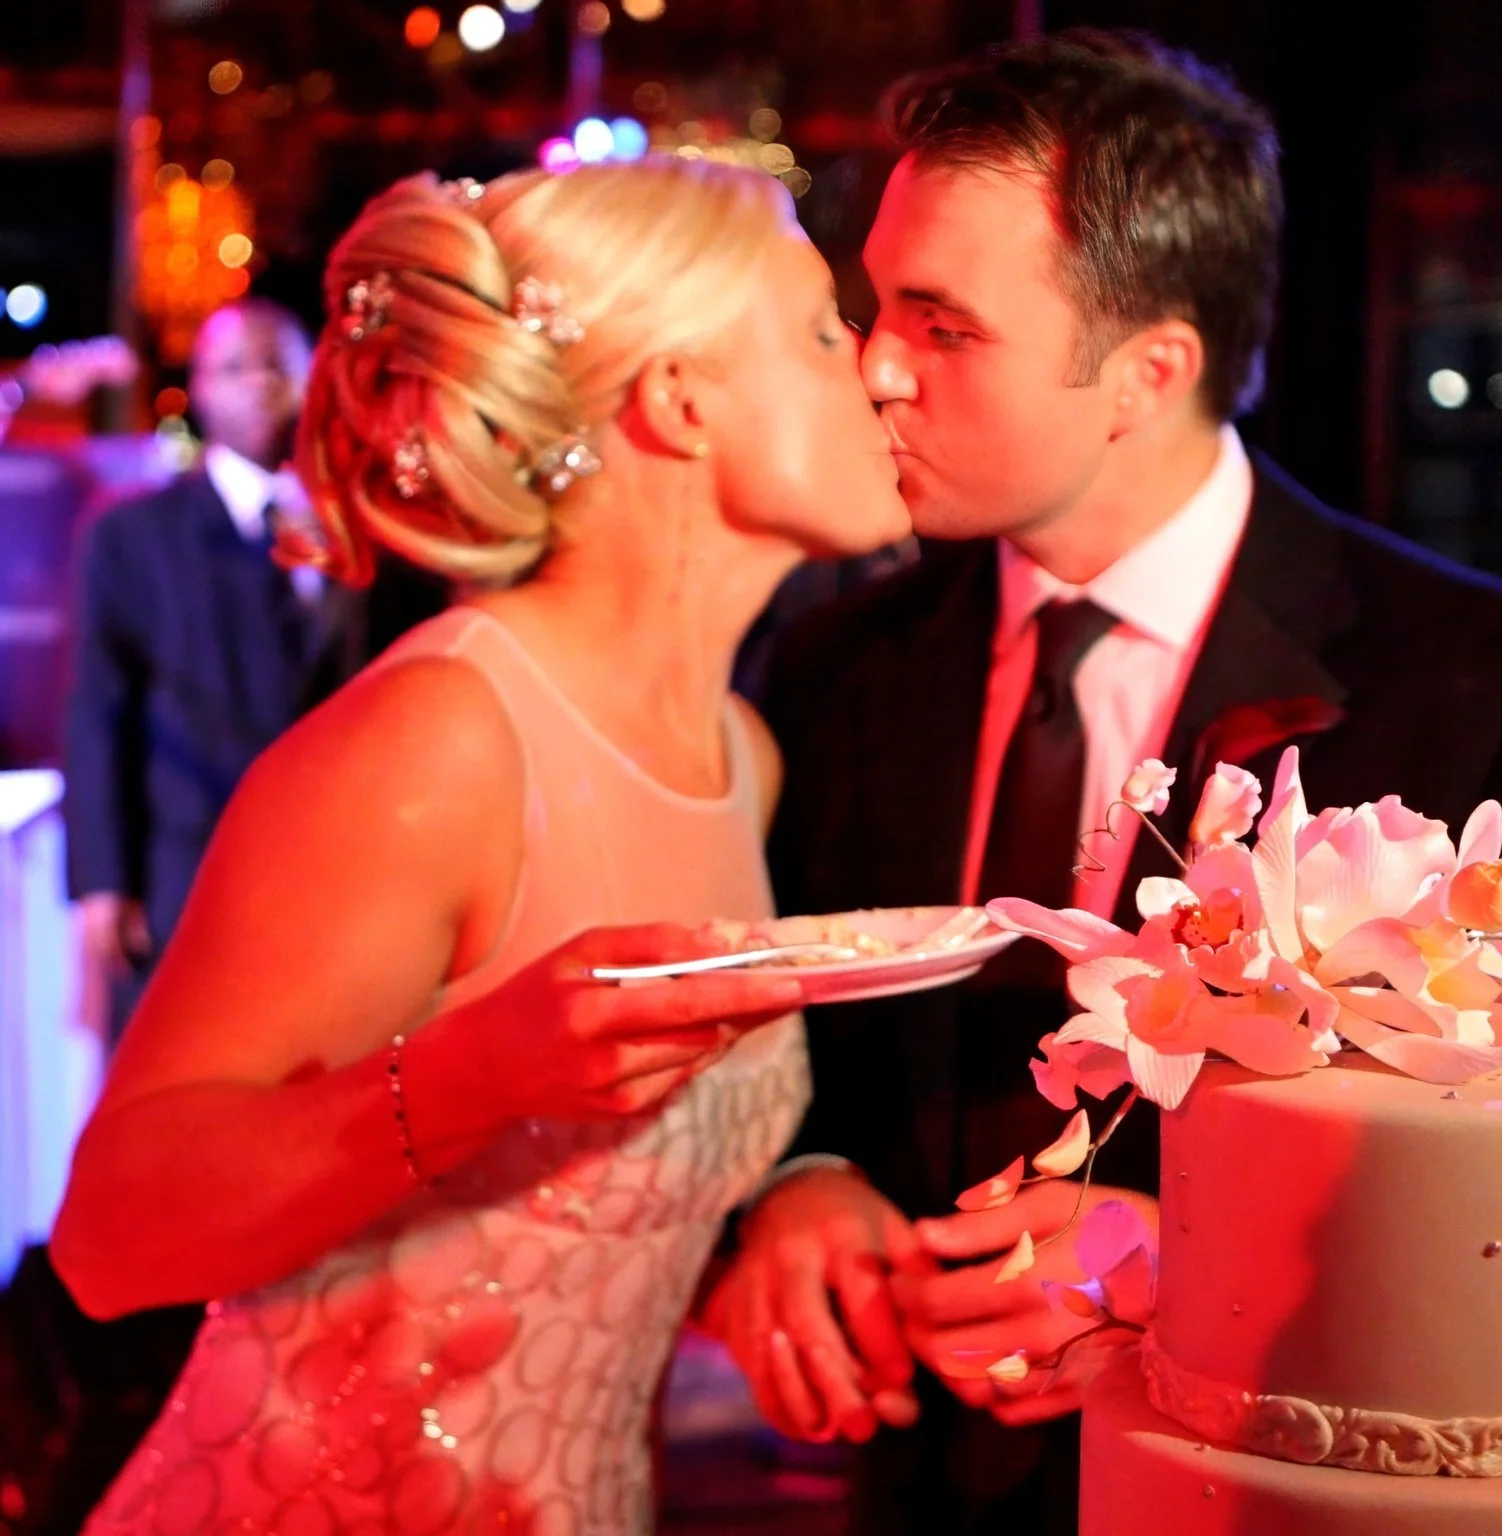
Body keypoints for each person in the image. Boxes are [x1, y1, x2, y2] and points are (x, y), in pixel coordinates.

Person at [701, 30, 1502, 1536]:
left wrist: (1190, 1261)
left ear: (1149, 371)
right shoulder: (841, 660)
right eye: (877, 310)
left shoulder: (1498, 691)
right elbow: (781, 1037)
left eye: (943, 327)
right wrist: (788, 1184)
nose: (876, 367)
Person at [50, 155, 911, 1536]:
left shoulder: (742, 758)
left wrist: (793, 1204)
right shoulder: (445, 741)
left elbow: (574, 1221)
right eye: (825, 329)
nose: (885, 372)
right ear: (682, 403)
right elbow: (107, 1238)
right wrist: (466, 1073)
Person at [63, 299, 446, 1046]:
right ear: (200, 389)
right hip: (186, 880)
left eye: (280, 365)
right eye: (236, 367)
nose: (260, 384)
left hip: (345, 883)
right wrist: (102, 881)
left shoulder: (372, 533)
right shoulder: (132, 536)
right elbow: (97, 711)